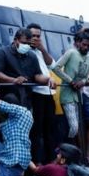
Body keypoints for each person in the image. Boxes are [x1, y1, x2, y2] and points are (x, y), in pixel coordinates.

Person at [0, 28, 53, 110]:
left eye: (29, 44)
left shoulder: (32, 56)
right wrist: (14, 80)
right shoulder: (1, 53)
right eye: (24, 43)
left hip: (27, 100)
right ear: (15, 40)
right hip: (8, 100)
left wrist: (48, 79)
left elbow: (37, 75)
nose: (26, 46)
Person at [53, 28, 89, 144]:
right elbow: (56, 68)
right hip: (67, 95)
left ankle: (75, 153)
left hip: (79, 95)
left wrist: (83, 82)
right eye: (84, 44)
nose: (86, 48)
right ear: (78, 43)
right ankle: (66, 151)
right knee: (74, 127)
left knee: (79, 126)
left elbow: (86, 76)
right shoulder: (71, 53)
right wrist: (70, 81)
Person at [27, 23, 57, 164]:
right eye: (33, 35)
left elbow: (52, 64)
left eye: (38, 36)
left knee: (50, 129)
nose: (35, 38)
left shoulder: (40, 51)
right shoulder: (24, 51)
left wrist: (43, 49)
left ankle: (51, 160)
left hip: (48, 93)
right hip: (36, 94)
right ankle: (37, 161)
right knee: (36, 130)